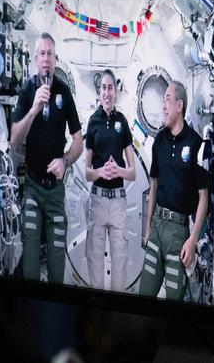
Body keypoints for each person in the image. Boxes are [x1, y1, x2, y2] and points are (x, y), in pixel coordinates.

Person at [10, 32, 83, 284]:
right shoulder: (27, 90)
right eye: (41, 54)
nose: (46, 59)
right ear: (35, 59)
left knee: (56, 267)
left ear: (55, 59)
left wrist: (65, 161)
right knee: (30, 266)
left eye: (49, 54)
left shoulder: (64, 91)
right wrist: (33, 109)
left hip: (55, 194)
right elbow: (14, 139)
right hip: (32, 188)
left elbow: (78, 141)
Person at [140, 80, 209, 300]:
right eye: (163, 101)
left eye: (167, 100)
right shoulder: (159, 141)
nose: (163, 106)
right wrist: (147, 228)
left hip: (179, 234)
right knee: (144, 294)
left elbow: (204, 198)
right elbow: (153, 185)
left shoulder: (196, 144)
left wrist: (193, 239)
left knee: (174, 299)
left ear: (179, 106)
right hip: (156, 228)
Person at [83, 69, 136, 292]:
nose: (107, 92)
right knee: (94, 263)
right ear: (99, 91)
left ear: (116, 92)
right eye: (103, 88)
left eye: (110, 88)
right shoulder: (93, 122)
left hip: (117, 204)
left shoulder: (122, 122)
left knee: (120, 265)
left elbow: (132, 173)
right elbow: (87, 173)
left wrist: (117, 171)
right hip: (97, 202)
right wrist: (101, 172)